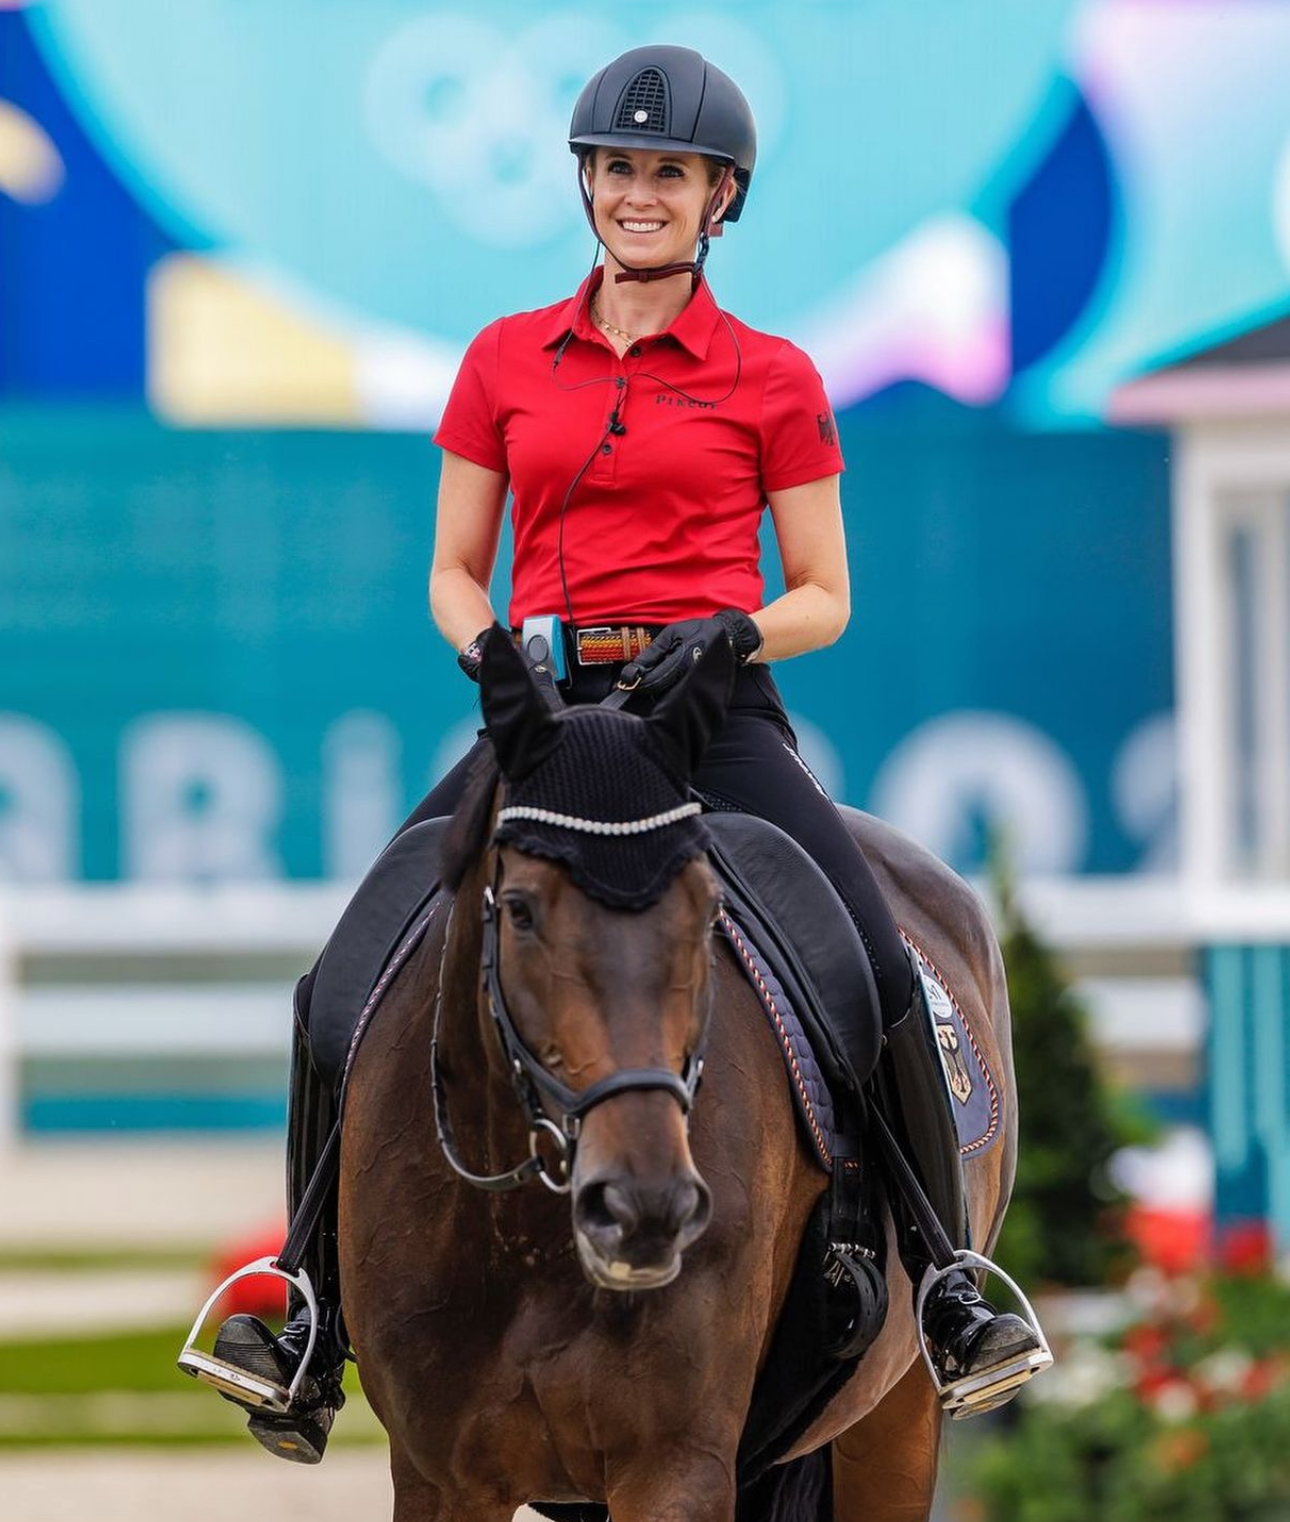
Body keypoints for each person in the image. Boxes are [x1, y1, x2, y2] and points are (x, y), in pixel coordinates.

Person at [182, 43, 1047, 1462]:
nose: (641, 194)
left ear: (721, 199)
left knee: (877, 964)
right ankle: (306, 1313)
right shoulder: (505, 358)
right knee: (342, 977)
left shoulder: (771, 376)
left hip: (712, 713)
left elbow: (826, 591)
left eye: (671, 174)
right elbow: (453, 568)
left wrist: (732, 638)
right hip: (545, 712)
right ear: (587, 182)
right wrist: (492, 653)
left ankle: (948, 1288)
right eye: (621, 168)